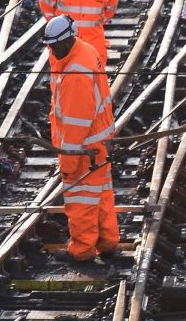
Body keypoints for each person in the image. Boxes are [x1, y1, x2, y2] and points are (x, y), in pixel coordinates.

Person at [44, 15, 119, 262]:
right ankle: (107, 242)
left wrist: (68, 161)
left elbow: (76, 123)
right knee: (101, 194)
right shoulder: (84, 51)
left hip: (84, 148)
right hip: (100, 141)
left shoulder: (76, 72)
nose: (53, 51)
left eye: (56, 46)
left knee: (81, 200)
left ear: (68, 39)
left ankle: (83, 249)